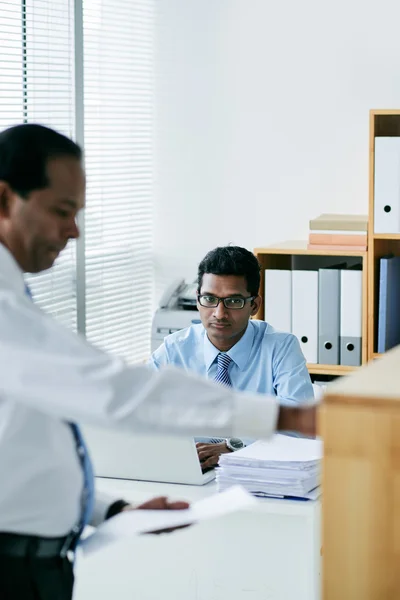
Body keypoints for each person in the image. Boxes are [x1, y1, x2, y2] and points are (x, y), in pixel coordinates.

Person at [0, 124, 316, 600]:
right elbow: (115, 391)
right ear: (5, 200)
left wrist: (106, 510)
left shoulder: (15, 297)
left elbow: (25, 446)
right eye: (62, 211)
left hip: (42, 556)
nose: (75, 230)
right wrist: (285, 416)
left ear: (254, 302)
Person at [150, 246, 314, 470]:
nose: (219, 313)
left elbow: (298, 427)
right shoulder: (173, 350)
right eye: (209, 299)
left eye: (234, 302)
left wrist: (235, 446)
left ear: (254, 305)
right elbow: (136, 412)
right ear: (198, 300)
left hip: (257, 473)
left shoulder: (281, 348)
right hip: (192, 473)